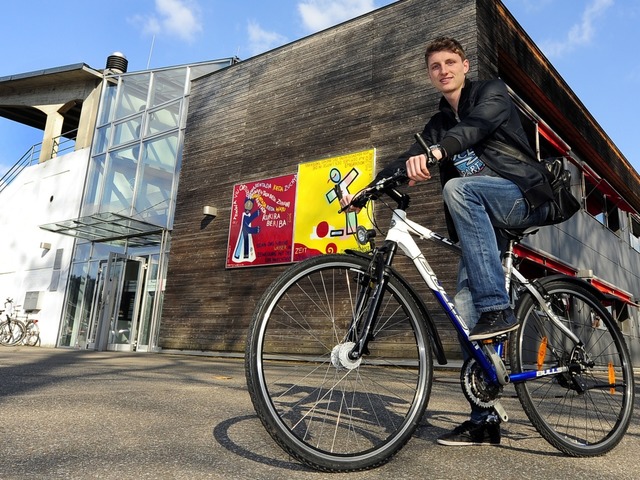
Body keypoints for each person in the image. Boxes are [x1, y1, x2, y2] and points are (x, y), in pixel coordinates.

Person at [343, 37, 553, 446]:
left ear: (465, 65)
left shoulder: (490, 93)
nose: (444, 70)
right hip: (482, 223)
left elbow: (478, 126)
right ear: (430, 75)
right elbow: (406, 161)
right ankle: (484, 417)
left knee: (458, 189)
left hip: (523, 196)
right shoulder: (437, 124)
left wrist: (440, 152)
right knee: (462, 309)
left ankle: (499, 308)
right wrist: (366, 189)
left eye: (450, 62)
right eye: (435, 65)